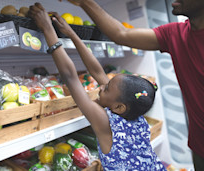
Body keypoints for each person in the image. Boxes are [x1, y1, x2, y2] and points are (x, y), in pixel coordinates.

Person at [63, 0, 204, 170]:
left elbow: (71, 77)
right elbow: (120, 34)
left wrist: (53, 36)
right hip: (199, 145)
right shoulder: (175, 33)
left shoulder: (107, 120)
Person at [28, 3, 166, 170]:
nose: (100, 87)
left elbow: (71, 78)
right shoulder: (136, 117)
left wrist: (47, 29)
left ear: (119, 107)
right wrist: (72, 34)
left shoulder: (106, 122)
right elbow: (96, 70)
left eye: (106, 89)